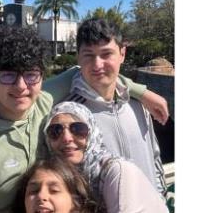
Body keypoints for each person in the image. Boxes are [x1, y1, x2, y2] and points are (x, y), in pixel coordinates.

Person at [0, 25, 168, 213]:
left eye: (31, 75)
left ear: (41, 78)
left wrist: (141, 92)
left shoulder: (43, 102)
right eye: (7, 75)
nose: (20, 86)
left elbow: (91, 67)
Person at [44, 101, 174, 213]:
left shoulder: (118, 173)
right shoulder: (68, 184)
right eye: (55, 131)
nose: (66, 138)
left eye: (78, 129)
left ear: (92, 133)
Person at [57, 18, 168, 195]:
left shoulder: (139, 104)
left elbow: (154, 158)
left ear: (122, 54)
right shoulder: (67, 115)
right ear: (78, 56)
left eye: (106, 54)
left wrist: (161, 202)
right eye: (88, 55)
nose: (97, 64)